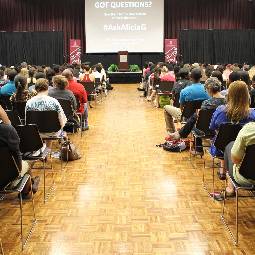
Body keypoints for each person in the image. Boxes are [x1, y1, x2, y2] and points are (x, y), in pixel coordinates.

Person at [167, 77, 226, 155]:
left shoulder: (207, 103)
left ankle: (197, 148)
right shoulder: (227, 101)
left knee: (196, 119)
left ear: (209, 89)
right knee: (196, 116)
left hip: (207, 130)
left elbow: (203, 119)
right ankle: (180, 134)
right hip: (223, 130)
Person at [209, 81, 255, 179]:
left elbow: (212, 128)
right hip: (246, 153)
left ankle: (223, 170)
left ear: (229, 95)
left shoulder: (220, 110)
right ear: (247, 95)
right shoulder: (253, 114)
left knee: (225, 142)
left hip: (220, 148)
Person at [0, 119, 40, 198]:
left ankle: (31, 183)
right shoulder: (7, 130)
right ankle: (26, 191)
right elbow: (17, 155)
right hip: (6, 179)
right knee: (26, 164)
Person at [164, 68, 210, 134]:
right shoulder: (208, 90)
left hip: (187, 117)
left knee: (166, 108)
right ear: (201, 77)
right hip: (204, 117)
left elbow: (181, 108)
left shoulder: (184, 91)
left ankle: (172, 132)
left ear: (191, 77)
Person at [222, 122, 255, 198]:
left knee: (230, 146)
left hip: (246, 180)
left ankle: (230, 188)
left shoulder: (249, 129)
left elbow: (235, 160)